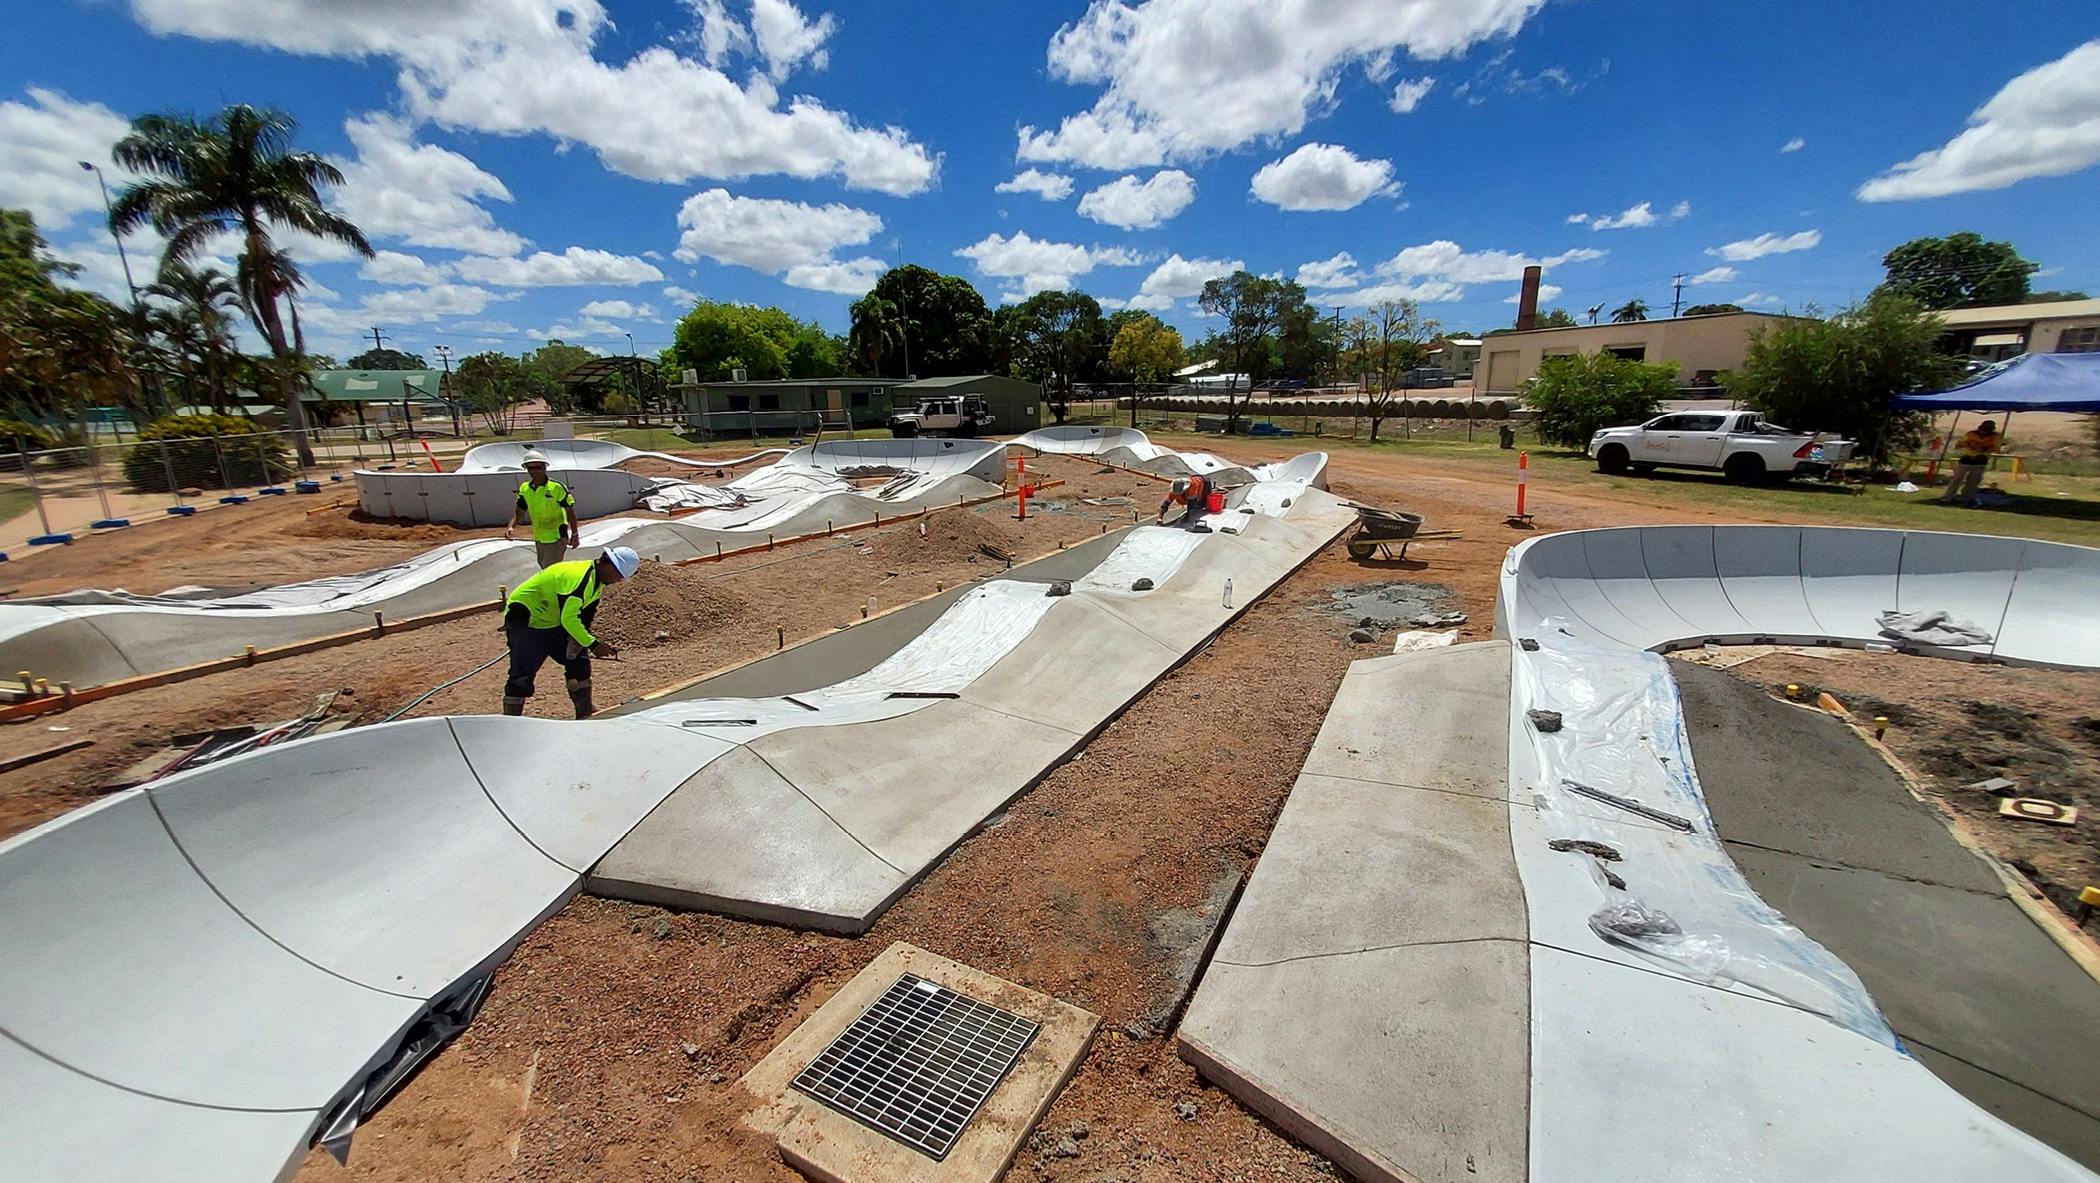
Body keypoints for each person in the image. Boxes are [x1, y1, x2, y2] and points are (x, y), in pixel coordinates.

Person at [500, 546, 639, 718]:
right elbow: (569, 618)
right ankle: (510, 722)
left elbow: (585, 615)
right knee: (522, 673)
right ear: (608, 565)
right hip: (526, 618)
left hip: (552, 619)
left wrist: (582, 640)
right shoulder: (581, 578)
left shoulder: (597, 582)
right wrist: (593, 644)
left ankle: (584, 711)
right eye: (619, 575)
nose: (618, 580)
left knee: (578, 663)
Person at [506, 450, 579, 567]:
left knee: (550, 569)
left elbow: (570, 512)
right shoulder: (525, 489)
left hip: (557, 536)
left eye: (538, 467)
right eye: (530, 468)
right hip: (540, 536)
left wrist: (575, 534)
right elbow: (520, 509)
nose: (534, 471)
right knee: (544, 566)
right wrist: (512, 526)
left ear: (544, 467)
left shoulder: (556, 488)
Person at [1939, 420, 2002, 507]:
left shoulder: (1995, 436)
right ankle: (1947, 498)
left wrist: (1984, 449)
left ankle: (1967, 499)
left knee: (1973, 482)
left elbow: (1996, 448)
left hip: (1980, 460)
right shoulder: (1971, 434)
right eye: (1983, 429)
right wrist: (1970, 446)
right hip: (1966, 459)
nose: (1984, 432)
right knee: (1956, 479)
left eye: (1987, 430)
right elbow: (1960, 444)